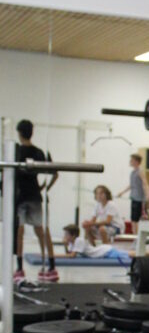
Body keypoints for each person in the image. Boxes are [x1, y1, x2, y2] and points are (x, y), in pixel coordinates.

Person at [13, 119, 59, 283]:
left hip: (21, 197)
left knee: (20, 233)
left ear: (19, 133)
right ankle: (51, 267)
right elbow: (55, 174)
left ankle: (19, 269)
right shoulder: (38, 152)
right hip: (33, 195)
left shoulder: (16, 152)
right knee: (41, 231)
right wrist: (44, 188)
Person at [117, 154, 149, 233]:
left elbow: (145, 183)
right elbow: (132, 185)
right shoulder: (133, 172)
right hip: (134, 198)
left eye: (132, 160)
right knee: (133, 219)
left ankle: (137, 235)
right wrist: (122, 192)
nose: (130, 161)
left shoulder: (140, 171)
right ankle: (134, 234)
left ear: (136, 162)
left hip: (139, 199)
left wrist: (147, 195)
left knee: (136, 219)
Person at [62, 224, 131, 261]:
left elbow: (72, 255)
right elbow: (69, 254)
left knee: (128, 254)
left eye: (66, 234)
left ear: (73, 235)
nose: (65, 236)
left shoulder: (79, 240)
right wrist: (65, 245)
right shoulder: (72, 243)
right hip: (103, 252)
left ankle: (137, 254)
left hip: (105, 251)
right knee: (127, 254)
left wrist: (56, 255)